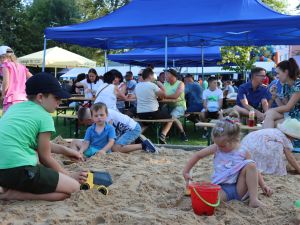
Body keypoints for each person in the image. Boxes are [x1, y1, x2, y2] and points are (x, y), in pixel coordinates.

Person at [0, 72, 87, 201]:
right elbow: (45, 157)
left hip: (3, 170)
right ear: (40, 97)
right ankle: (9, 194)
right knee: (74, 189)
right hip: (20, 169)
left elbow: (34, 142)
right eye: (57, 98)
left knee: (64, 191)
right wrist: (69, 175)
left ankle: (8, 188)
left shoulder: (14, 108)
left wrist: (64, 150)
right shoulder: (44, 116)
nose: (59, 102)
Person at [183, 117, 272, 208]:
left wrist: (263, 185)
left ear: (235, 139)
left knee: (251, 164)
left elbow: (254, 170)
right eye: (217, 144)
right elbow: (198, 155)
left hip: (239, 188)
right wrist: (186, 171)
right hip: (221, 187)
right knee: (208, 200)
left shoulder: (243, 151)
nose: (219, 147)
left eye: (222, 145)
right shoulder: (217, 147)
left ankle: (254, 200)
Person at [75, 106, 158, 154]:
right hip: (123, 130)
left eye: (85, 123)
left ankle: (144, 145)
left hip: (132, 129)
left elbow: (107, 138)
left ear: (89, 119)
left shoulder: (104, 118)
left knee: (115, 149)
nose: (86, 125)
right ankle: (134, 142)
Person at [263, 58, 300, 128]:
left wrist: (270, 110)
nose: (276, 76)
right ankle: (267, 137)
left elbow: (288, 107)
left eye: (278, 73)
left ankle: (266, 138)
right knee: (270, 115)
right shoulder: (285, 86)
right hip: (290, 116)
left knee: (271, 120)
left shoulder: (298, 84)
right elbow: (283, 106)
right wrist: (275, 95)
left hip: (297, 118)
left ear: (286, 72)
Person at [0, 46, 32, 113]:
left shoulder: (5, 65)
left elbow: (6, 82)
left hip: (11, 99)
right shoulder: (21, 66)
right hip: (24, 99)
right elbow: (33, 78)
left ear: (2, 57)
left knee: (7, 122)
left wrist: (3, 95)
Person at [162, 68, 188, 142]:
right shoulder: (165, 83)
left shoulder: (180, 83)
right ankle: (168, 133)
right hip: (168, 105)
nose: (165, 76)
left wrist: (164, 96)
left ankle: (182, 133)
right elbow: (162, 94)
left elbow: (176, 96)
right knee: (160, 115)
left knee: (172, 116)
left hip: (180, 105)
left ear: (173, 75)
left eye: (167, 74)